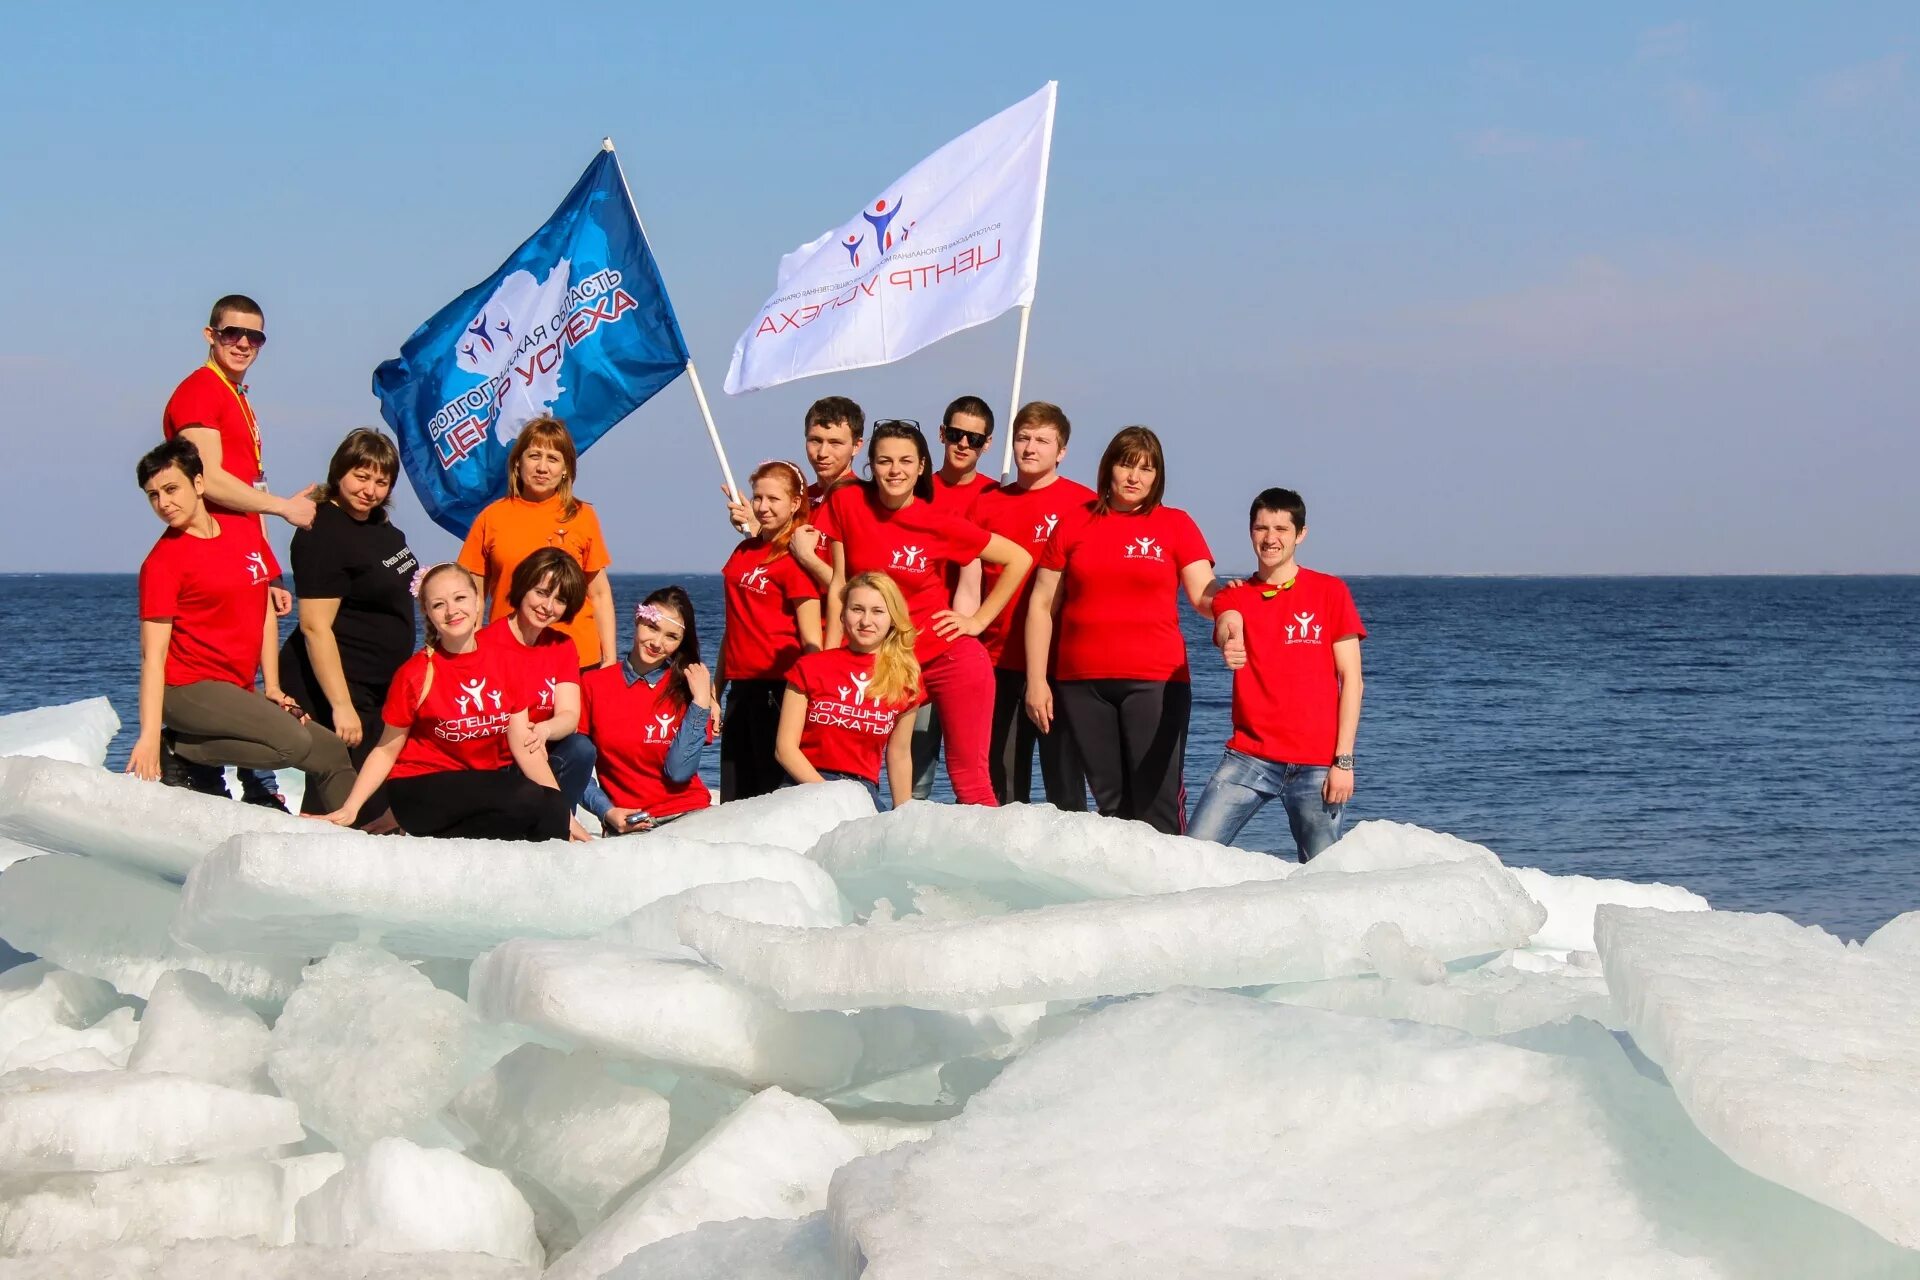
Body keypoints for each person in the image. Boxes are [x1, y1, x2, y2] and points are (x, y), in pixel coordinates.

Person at [126, 438, 355, 815]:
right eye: (153, 496)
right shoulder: (162, 563)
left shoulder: (243, 530)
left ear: (199, 484)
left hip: (237, 687)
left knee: (331, 752)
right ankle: (180, 748)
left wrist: (274, 686)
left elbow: (262, 609)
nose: (163, 503)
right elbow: (154, 659)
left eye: (171, 489)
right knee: (293, 744)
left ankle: (355, 853)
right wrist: (150, 735)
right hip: (185, 689)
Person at [162, 292, 319, 807]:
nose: (245, 343)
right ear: (211, 335)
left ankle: (235, 776)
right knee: (211, 663)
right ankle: (186, 753)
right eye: (233, 333)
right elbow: (206, 481)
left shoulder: (236, 395)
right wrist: (283, 509)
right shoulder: (199, 394)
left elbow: (248, 481)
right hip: (207, 547)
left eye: (255, 336)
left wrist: (269, 566)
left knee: (238, 665)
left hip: (241, 546)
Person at [823, 422, 1033, 807]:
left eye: (906, 461)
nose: (894, 470)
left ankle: (989, 861)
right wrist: (829, 658)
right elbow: (840, 584)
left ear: (922, 467)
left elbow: (1019, 558)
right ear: (870, 465)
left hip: (950, 656)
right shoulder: (847, 503)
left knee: (969, 777)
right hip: (889, 661)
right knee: (877, 766)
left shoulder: (937, 521)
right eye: (884, 461)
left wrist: (977, 621)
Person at [1025, 426, 1220, 835]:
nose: (1134, 478)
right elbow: (1042, 603)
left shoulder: (1175, 524)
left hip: (1155, 683)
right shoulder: (1075, 522)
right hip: (1081, 684)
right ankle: (1123, 898)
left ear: (1157, 476)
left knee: (1156, 802)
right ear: (1108, 467)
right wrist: (1036, 681)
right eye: (1126, 464)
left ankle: (1168, 893)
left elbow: (1204, 594)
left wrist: (1232, 606)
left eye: (1146, 470)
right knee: (1110, 804)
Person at [319, 562, 569, 840]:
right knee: (524, 796)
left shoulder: (507, 663)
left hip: (477, 788)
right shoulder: (415, 673)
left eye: (460, 598)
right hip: (417, 790)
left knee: (554, 807)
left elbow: (525, 747)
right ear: (427, 612)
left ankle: (541, 877)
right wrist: (351, 808)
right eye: (439, 604)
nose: (452, 611)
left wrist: (568, 819)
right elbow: (386, 750)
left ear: (477, 601)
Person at [1189, 488, 1365, 861]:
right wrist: (1230, 637)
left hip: (1317, 763)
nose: (1270, 538)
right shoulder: (1235, 595)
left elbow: (1352, 680)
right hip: (1249, 757)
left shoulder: (1330, 591)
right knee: (1191, 854)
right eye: (1261, 528)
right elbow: (1227, 620)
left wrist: (1343, 761)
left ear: (1300, 534)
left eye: (1281, 529)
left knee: (1323, 875)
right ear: (1251, 532)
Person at [277, 429, 418, 824]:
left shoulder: (381, 527)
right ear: (339, 471)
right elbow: (315, 628)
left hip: (377, 687)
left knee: (371, 798)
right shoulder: (323, 532)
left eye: (381, 481)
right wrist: (341, 707)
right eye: (361, 476)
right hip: (336, 686)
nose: (369, 490)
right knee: (341, 795)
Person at [970, 402, 1094, 808]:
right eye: (1023, 438)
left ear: (1061, 451)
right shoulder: (987, 505)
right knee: (1002, 784)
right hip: (998, 660)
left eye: (1042, 440)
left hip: (1061, 665)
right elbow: (969, 583)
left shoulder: (1086, 505)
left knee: (1066, 785)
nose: (1030, 448)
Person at [458, 417, 616, 669]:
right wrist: (470, 653)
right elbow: (473, 596)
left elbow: (598, 594)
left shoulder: (582, 515)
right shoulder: (491, 517)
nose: (542, 467)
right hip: (509, 656)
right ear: (518, 463)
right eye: (534, 456)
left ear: (566, 469)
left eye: (552, 458)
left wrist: (609, 658)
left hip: (578, 659)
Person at [906, 394, 1003, 800]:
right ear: (942, 433)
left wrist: (977, 622)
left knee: (978, 773)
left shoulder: (997, 497)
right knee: (914, 768)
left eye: (975, 439)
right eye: (957, 435)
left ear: (988, 444)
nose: (964, 444)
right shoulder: (917, 490)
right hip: (914, 647)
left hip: (977, 654)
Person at [717, 461, 827, 801]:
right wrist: (716, 687)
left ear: (795, 503)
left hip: (779, 688)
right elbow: (734, 623)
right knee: (734, 794)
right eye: (757, 498)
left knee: (769, 794)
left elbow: (813, 641)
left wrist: (815, 702)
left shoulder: (797, 558)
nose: (762, 507)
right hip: (741, 687)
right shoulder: (744, 550)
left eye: (773, 499)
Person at [479, 548, 596, 839]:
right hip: (499, 763)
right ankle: (554, 825)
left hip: (541, 752)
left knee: (581, 749)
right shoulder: (486, 644)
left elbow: (570, 715)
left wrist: (543, 730)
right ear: (524, 586)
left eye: (560, 600)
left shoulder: (562, 646)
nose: (548, 606)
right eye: (541, 593)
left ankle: (558, 830)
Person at [580, 587, 718, 833]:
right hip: (632, 823)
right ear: (638, 618)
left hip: (690, 815)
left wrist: (700, 703)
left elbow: (679, 772)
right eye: (652, 628)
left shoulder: (690, 687)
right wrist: (606, 810)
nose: (657, 643)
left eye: (671, 637)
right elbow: (568, 767)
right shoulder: (593, 685)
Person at [777, 572, 921, 807]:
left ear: (893, 619)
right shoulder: (810, 667)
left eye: (877, 611)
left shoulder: (905, 680)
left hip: (862, 792)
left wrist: (903, 816)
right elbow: (785, 749)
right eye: (857, 609)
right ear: (842, 615)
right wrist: (831, 796)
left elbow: (899, 755)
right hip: (802, 786)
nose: (866, 621)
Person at [724, 396, 864, 590]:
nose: (822, 452)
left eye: (835, 443)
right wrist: (759, 530)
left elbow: (862, 593)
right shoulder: (802, 498)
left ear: (856, 446)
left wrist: (808, 558)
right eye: (815, 440)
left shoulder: (865, 503)